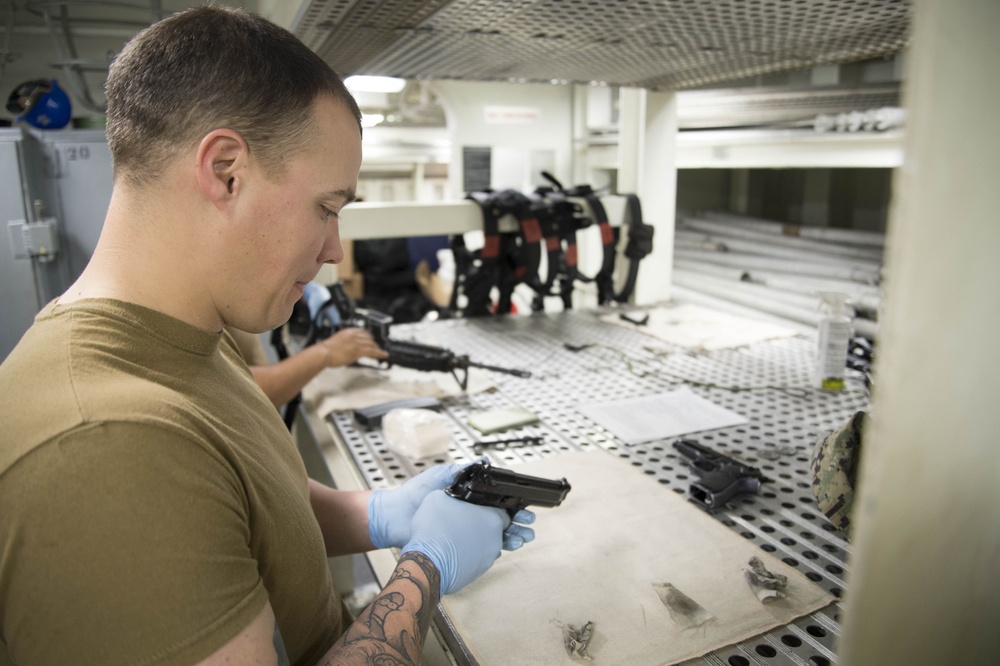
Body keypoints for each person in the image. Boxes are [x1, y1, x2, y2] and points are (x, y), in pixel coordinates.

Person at [0, 7, 535, 666]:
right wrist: (420, 572)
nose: (336, 251)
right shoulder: (103, 441)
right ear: (226, 170)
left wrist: (380, 513)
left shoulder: (187, 338)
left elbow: (239, 498)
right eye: (326, 208)